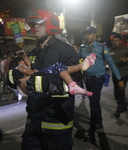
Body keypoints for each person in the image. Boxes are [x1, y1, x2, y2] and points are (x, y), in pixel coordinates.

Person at [17, 9, 81, 150]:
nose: (35, 28)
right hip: (33, 124)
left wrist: (45, 83)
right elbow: (27, 85)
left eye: (39, 24)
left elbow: (75, 83)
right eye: (33, 25)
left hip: (57, 124)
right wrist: (15, 76)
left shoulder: (66, 51)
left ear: (51, 24)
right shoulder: (32, 54)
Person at [78, 26, 125, 142]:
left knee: (93, 101)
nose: (87, 36)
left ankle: (92, 130)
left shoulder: (101, 47)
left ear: (94, 34)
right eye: (86, 34)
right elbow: (74, 61)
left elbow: (111, 63)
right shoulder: (82, 49)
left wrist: (119, 79)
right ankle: (98, 120)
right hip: (88, 79)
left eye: (89, 33)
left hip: (98, 78)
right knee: (94, 101)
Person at [8, 53, 96, 98]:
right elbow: (27, 71)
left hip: (36, 95)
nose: (28, 60)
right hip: (39, 76)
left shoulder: (17, 75)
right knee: (57, 66)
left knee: (60, 68)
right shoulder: (19, 67)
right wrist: (34, 71)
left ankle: (83, 90)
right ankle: (74, 80)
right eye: (26, 59)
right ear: (20, 61)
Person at [110, 34, 128, 118]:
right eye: (113, 41)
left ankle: (119, 106)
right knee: (117, 90)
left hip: (123, 73)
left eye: (116, 41)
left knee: (121, 89)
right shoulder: (110, 50)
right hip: (114, 73)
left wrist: (126, 60)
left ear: (120, 41)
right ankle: (123, 104)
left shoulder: (125, 50)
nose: (114, 42)